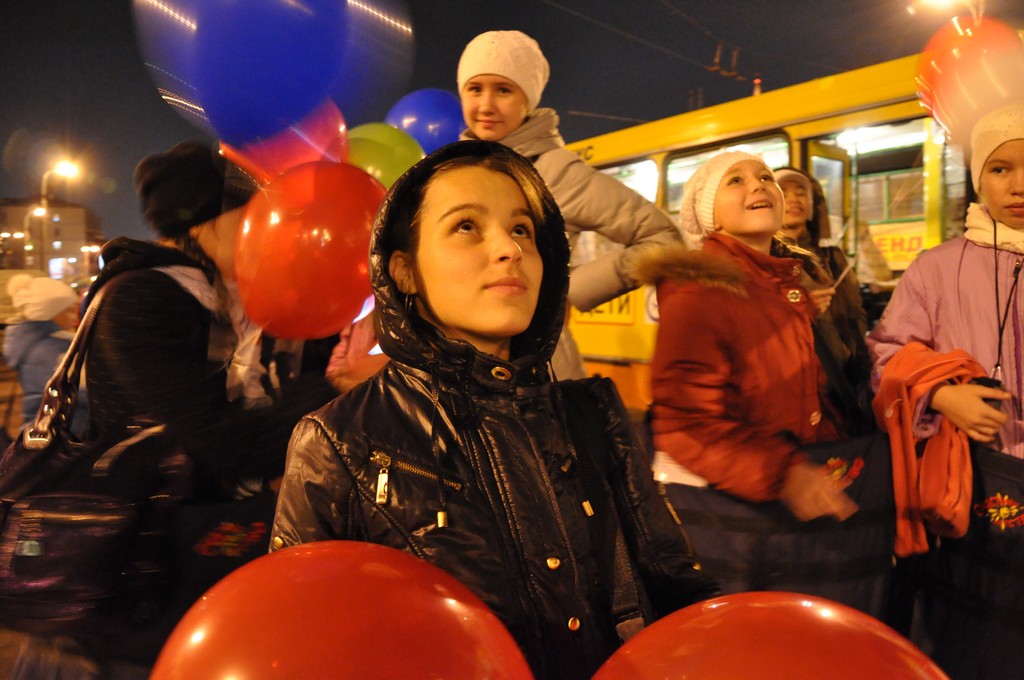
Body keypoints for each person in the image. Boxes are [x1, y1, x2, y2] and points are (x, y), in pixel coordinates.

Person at [270, 140, 721, 680]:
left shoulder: (592, 413)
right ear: (404, 270)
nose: (509, 249)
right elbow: (303, 645)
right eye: (466, 226)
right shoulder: (339, 441)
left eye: (522, 230)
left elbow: (679, 598)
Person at [10, 140, 337, 678]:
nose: (265, 230)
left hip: (164, 565)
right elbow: (220, 441)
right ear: (204, 223)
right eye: (248, 214)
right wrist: (330, 392)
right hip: (129, 578)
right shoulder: (146, 296)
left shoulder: (211, 299)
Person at [634, 151, 897, 615]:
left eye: (765, 176)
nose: (758, 185)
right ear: (709, 215)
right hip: (746, 519)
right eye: (735, 181)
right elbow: (685, 423)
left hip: (800, 509)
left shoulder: (785, 282)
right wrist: (784, 474)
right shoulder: (699, 290)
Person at [868, 102, 1024, 678]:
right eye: (1000, 169)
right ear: (979, 178)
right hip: (976, 479)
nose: (1018, 185)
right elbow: (885, 357)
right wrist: (939, 394)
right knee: (978, 635)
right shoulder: (936, 268)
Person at [456, 30, 681, 379]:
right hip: (462, 366)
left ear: (528, 100)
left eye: (503, 90)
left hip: (534, 369)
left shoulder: (556, 171)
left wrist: (568, 289)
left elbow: (662, 237)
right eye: (475, 89)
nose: (486, 105)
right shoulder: (456, 171)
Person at [775, 167, 872, 398]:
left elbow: (856, 315)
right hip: (800, 383)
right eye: (783, 193)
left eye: (801, 193)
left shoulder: (833, 257)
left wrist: (862, 364)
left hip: (848, 381)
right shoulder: (768, 261)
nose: (794, 199)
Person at [3, 274, 85, 432]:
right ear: (51, 313)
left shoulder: (39, 343)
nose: (72, 316)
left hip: (54, 427)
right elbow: (77, 392)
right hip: (63, 431)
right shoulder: (49, 350)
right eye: (68, 310)